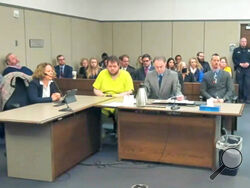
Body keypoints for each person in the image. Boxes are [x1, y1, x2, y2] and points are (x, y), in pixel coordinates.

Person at [93, 56, 134, 133]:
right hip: (104, 102)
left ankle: (118, 134)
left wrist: (119, 96)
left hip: (120, 102)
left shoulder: (125, 74)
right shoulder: (102, 73)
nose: (112, 68)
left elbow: (130, 91)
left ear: (119, 66)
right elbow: (95, 89)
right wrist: (101, 95)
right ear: (106, 66)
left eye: (114, 66)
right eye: (110, 66)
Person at [232, 37, 250, 103]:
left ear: (246, 42)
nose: (244, 42)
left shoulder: (249, 50)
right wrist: (239, 64)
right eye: (242, 41)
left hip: (248, 69)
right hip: (239, 69)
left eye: (245, 41)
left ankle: (247, 98)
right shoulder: (236, 50)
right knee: (240, 84)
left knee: (248, 84)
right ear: (240, 42)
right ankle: (240, 98)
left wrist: (249, 63)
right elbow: (234, 59)